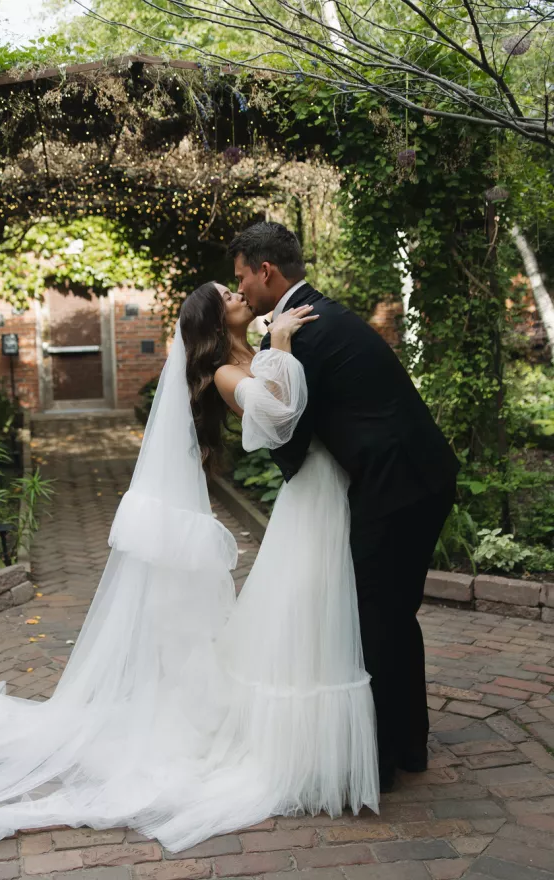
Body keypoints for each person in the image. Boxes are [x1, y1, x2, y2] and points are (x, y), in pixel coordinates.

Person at [0, 277, 378, 880]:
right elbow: (276, 414)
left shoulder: (245, 347)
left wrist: (271, 344)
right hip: (242, 500)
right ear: (211, 321)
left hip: (286, 483)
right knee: (191, 636)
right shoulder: (228, 368)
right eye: (226, 296)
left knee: (211, 633)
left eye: (234, 288)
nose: (237, 296)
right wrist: (278, 344)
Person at [228, 222, 460, 791]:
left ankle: (376, 763)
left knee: (375, 615)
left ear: (266, 272)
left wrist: (268, 350)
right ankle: (407, 746)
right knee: (393, 615)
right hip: (421, 475)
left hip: (396, 484)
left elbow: (287, 434)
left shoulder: (296, 330)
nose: (241, 290)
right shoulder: (321, 312)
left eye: (241, 278)